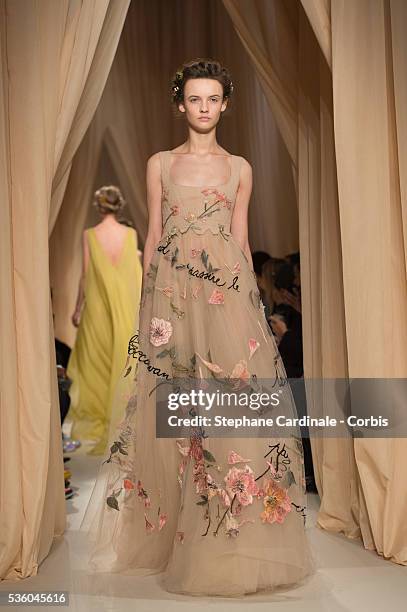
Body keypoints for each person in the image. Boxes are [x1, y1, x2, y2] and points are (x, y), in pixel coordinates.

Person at [83, 59, 315, 596]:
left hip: (225, 297)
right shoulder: (160, 163)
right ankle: (171, 540)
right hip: (173, 300)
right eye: (195, 99)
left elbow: (238, 239)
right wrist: (148, 305)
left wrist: (248, 310)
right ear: (180, 104)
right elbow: (155, 233)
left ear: (225, 104)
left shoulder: (240, 168)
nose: (205, 107)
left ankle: (227, 535)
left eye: (213, 99)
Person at [66, 186, 143, 455]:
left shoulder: (90, 235)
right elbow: (136, 274)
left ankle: (104, 422)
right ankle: (122, 422)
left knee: (98, 364)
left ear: (98, 207)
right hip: (124, 306)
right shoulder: (130, 234)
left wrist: (78, 308)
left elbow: (86, 277)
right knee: (124, 361)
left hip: (98, 309)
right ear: (119, 206)